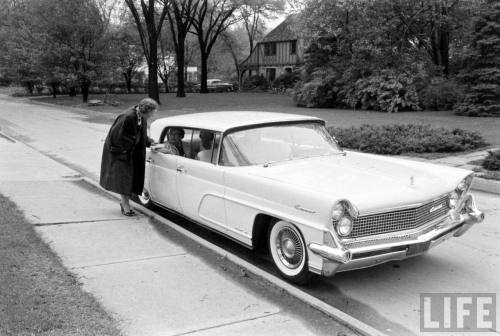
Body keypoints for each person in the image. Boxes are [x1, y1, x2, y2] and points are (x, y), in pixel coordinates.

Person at [100, 98, 157, 216]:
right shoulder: (128, 117)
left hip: (131, 152)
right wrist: (123, 152)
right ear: (147, 110)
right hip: (121, 153)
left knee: (130, 179)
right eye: (153, 112)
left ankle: (124, 203)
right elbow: (116, 137)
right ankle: (125, 205)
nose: (153, 114)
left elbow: (141, 134)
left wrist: (151, 142)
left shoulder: (141, 116)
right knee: (124, 179)